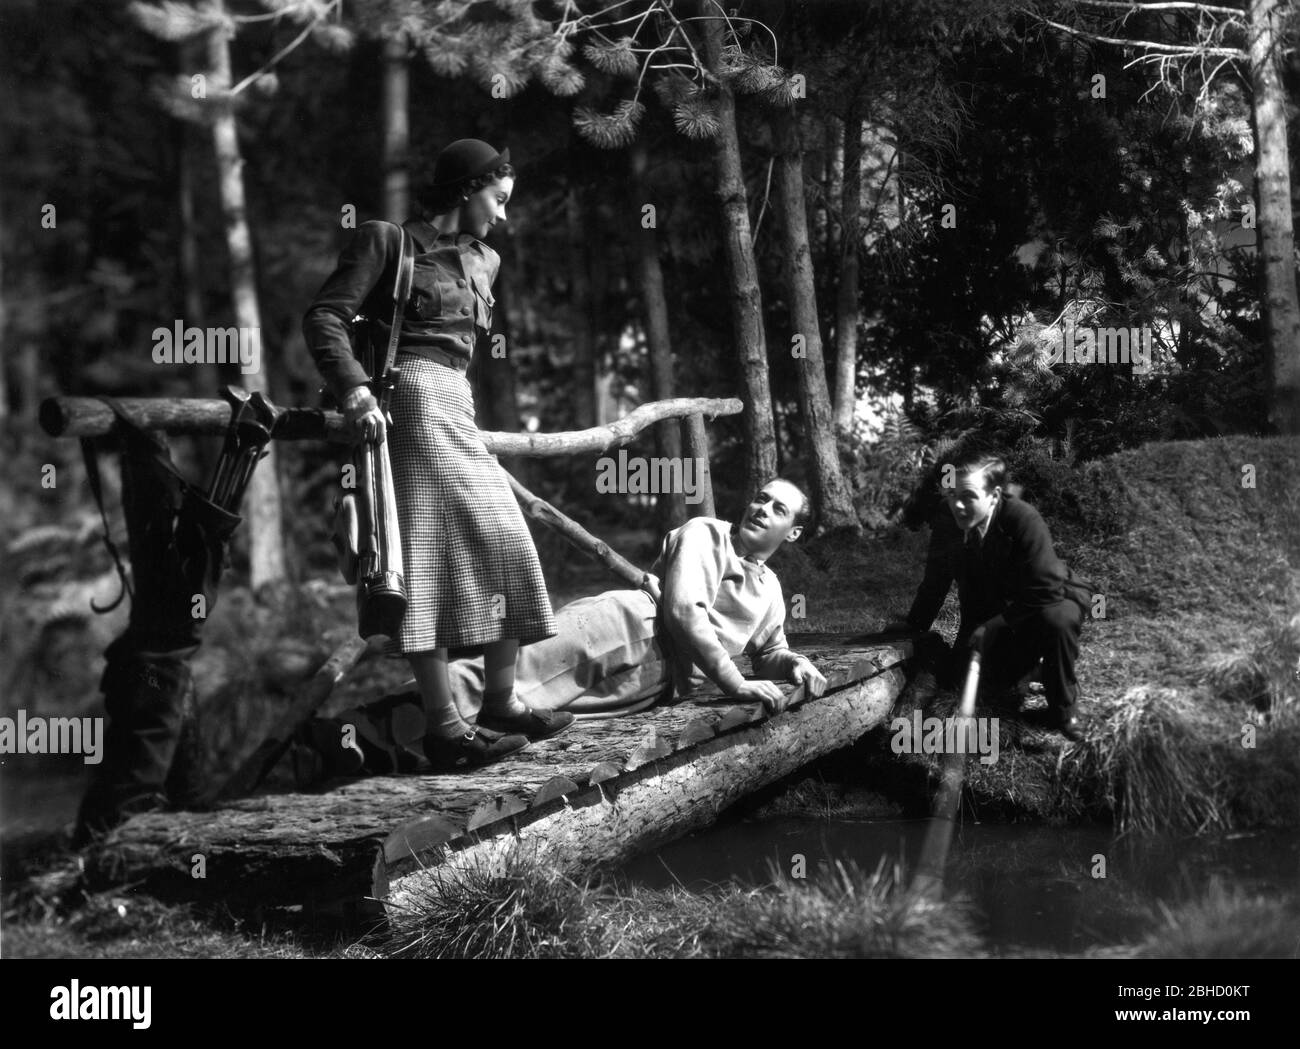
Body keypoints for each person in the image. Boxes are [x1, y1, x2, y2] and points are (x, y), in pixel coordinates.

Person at [303, 138, 568, 773]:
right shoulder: (387, 241)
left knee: (507, 542)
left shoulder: (487, 261)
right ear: (466, 189)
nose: (502, 215)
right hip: (407, 406)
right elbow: (325, 318)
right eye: (497, 200)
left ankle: (499, 705)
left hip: (458, 402)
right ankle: (447, 729)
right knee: (419, 562)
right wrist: (355, 391)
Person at [300, 480, 829, 778]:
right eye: (759, 496)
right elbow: (686, 611)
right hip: (627, 627)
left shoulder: (771, 590)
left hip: (649, 685)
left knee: (525, 712)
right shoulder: (707, 534)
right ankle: (347, 735)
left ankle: (377, 753)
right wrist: (733, 684)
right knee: (510, 678)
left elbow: (770, 651)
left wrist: (795, 663)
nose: (761, 507)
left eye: (777, 508)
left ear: (795, 531)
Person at [885, 452, 1091, 741]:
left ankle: (1064, 707)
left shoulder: (1022, 518)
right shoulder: (946, 520)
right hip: (987, 605)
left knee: (1058, 621)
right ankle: (1032, 669)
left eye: (968, 496)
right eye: (952, 494)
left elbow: (1047, 588)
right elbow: (935, 580)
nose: (957, 504)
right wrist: (914, 626)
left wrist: (995, 625)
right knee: (968, 677)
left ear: (993, 496)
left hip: (1048, 596)